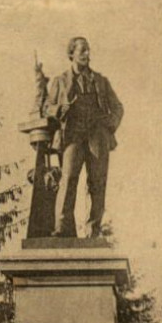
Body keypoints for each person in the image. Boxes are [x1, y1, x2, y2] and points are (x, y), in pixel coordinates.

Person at [44, 37, 124, 238]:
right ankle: (63, 228)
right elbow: (46, 108)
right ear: (72, 54)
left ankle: (93, 231)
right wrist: (59, 109)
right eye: (82, 51)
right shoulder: (60, 81)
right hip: (72, 135)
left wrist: (108, 125)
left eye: (88, 50)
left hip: (97, 135)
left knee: (97, 182)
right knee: (68, 178)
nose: (87, 55)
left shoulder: (101, 81)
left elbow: (118, 108)